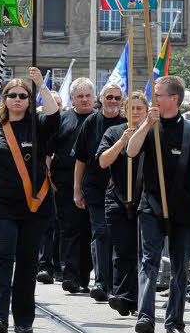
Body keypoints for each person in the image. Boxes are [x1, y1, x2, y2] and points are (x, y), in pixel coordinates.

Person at [0, 69, 59, 333]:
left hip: (34, 205)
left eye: (22, 96)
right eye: (12, 95)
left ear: (29, 101)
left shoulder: (39, 125)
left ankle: (23, 319)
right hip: (0, 205)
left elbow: (54, 116)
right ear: (4, 100)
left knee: (28, 262)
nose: (17, 99)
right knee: (2, 258)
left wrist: (40, 85)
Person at [127, 75, 190, 333]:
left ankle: (175, 321)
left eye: (158, 95)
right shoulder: (149, 125)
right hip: (151, 203)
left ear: (173, 99)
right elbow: (131, 152)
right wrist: (146, 124)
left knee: (180, 265)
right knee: (149, 261)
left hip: (184, 205)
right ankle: (145, 316)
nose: (154, 99)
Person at [72, 82, 126, 301]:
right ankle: (101, 281)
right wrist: (77, 189)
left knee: (118, 235)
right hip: (95, 188)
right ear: (101, 99)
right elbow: (80, 158)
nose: (113, 101)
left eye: (117, 98)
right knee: (101, 233)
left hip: (122, 189)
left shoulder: (126, 123)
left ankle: (117, 281)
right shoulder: (91, 122)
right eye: (109, 97)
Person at [96, 91, 148, 317]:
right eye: (132, 108)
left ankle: (135, 298)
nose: (135, 113)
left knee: (141, 250)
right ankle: (122, 293)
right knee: (122, 247)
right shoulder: (114, 131)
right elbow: (102, 161)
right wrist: (122, 141)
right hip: (117, 197)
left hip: (145, 198)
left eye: (139, 109)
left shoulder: (152, 133)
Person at [49, 78, 96, 287]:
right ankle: (69, 274)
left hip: (95, 186)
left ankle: (84, 275)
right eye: (80, 96)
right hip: (65, 185)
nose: (85, 100)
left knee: (89, 232)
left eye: (88, 96)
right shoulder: (62, 120)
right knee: (69, 230)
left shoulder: (100, 119)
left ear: (94, 98)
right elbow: (48, 151)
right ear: (72, 99)